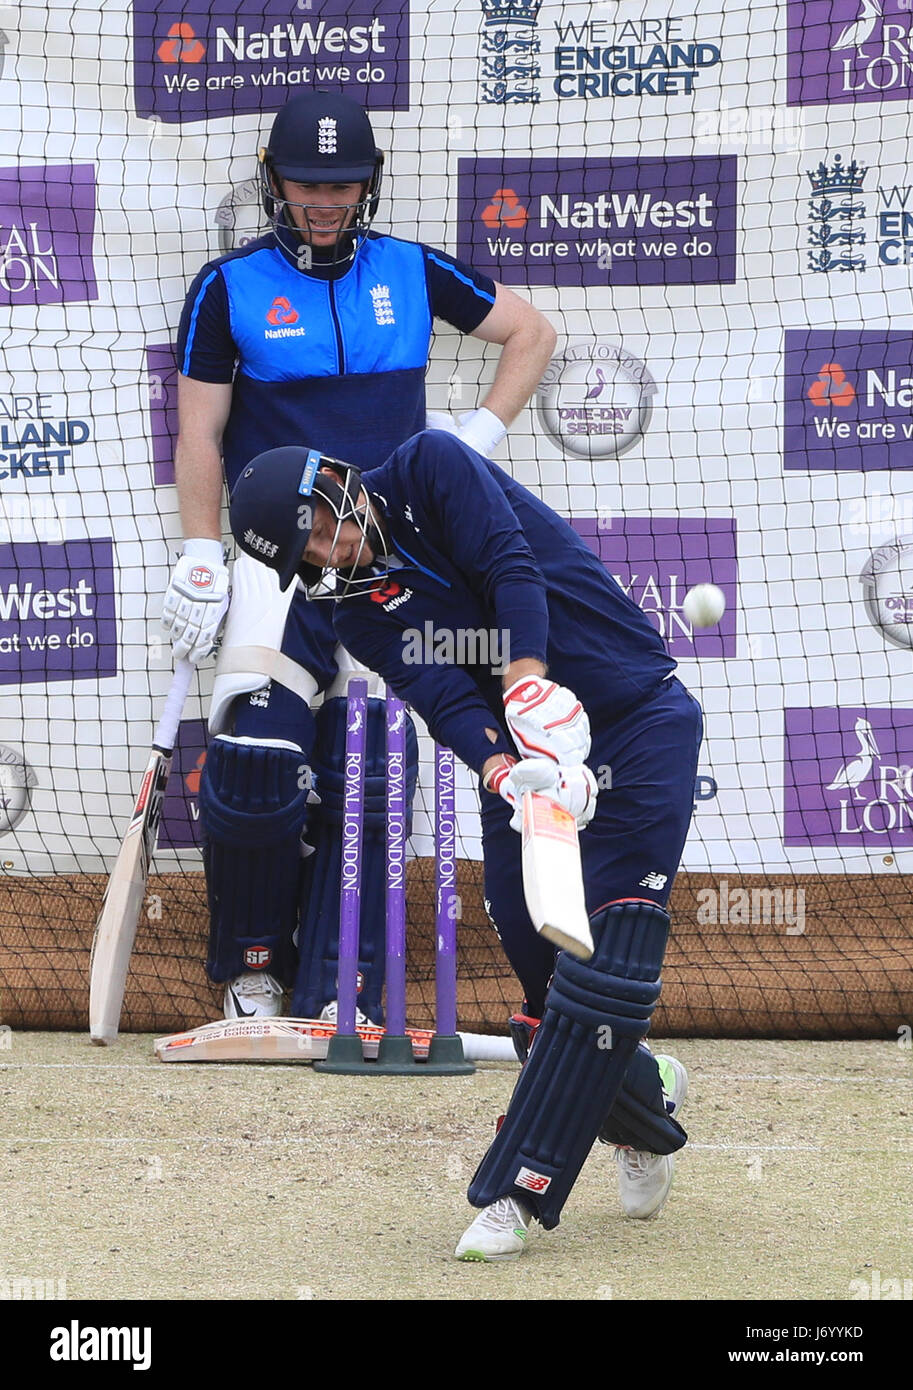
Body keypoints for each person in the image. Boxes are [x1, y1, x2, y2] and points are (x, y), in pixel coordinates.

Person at [227, 430, 704, 1258]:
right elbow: (438, 688)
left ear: (332, 482)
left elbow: (508, 570)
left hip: (633, 718)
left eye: (313, 526)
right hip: (523, 759)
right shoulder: (339, 603)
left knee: (610, 948)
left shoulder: (428, 467)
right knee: (536, 957)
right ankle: (645, 1107)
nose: (320, 552)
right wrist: (498, 768)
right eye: (301, 553)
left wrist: (525, 685)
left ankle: (512, 1195)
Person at [160, 90, 556, 1024]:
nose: (325, 203)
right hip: (277, 563)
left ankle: (343, 989)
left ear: (367, 186)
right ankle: (253, 974)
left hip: (389, 564)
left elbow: (530, 332)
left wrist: (478, 437)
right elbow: (198, 435)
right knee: (253, 756)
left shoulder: (411, 270)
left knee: (373, 774)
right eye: (307, 185)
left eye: (343, 186)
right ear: (273, 181)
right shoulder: (228, 286)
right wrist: (199, 552)